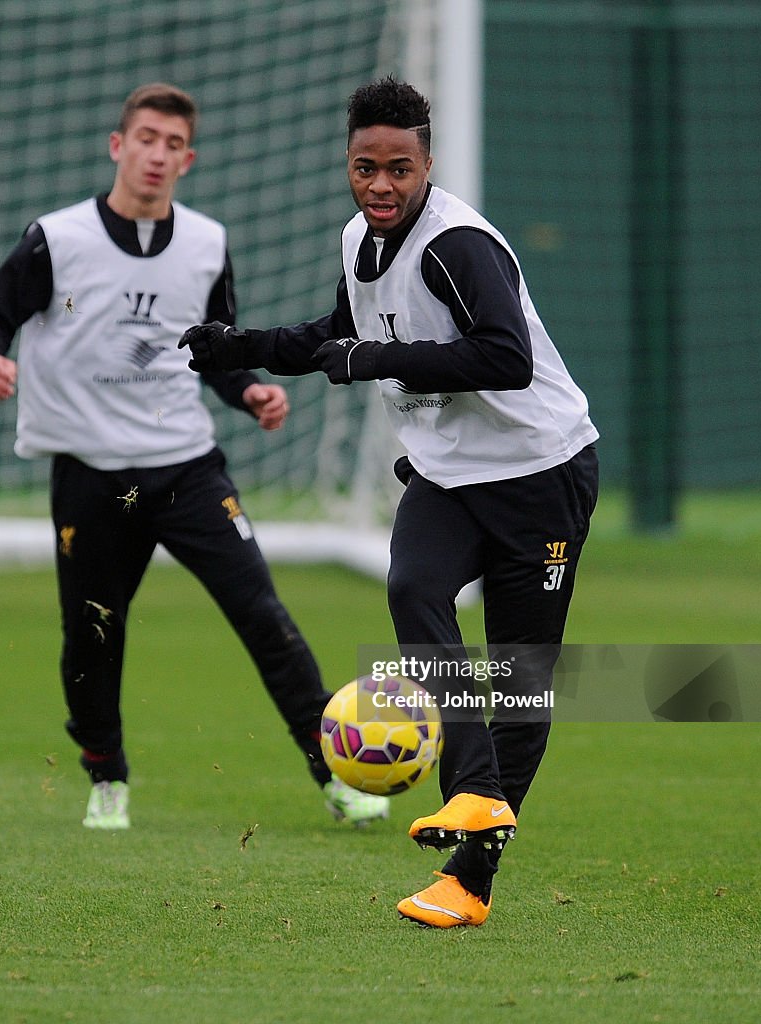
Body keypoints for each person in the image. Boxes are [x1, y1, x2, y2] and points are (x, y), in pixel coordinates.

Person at [179, 76, 599, 928]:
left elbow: (503, 358)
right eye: (365, 167)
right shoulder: (356, 239)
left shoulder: (459, 246)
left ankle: (467, 880)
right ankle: (474, 789)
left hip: (538, 476)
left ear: (427, 165)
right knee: (411, 588)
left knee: (518, 684)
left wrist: (371, 361)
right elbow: (340, 337)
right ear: (349, 163)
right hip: (448, 475)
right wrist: (242, 346)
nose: (380, 185)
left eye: (398, 169)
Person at [0, 82, 389, 832]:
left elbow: (212, 351)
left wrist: (248, 391)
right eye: (145, 139)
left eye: (172, 145)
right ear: (118, 146)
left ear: (187, 160)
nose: (157, 155)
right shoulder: (55, 239)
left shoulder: (205, 244)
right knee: (93, 631)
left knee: (263, 616)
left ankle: (338, 778)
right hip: (91, 475)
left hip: (187, 468)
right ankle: (107, 779)